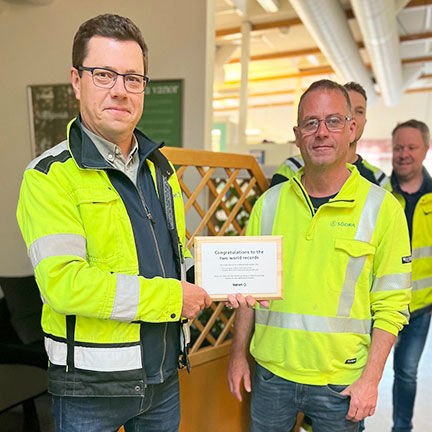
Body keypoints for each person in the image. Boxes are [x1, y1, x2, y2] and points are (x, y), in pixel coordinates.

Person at [16, 14, 213, 432]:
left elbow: (172, 260)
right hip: (91, 390)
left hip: (163, 379)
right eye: (104, 74)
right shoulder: (49, 176)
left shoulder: (160, 170)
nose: (120, 91)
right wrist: (172, 299)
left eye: (133, 78)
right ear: (76, 80)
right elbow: (65, 284)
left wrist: (226, 281)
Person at [227, 79, 412, 432]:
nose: (322, 132)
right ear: (297, 135)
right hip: (271, 376)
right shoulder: (269, 204)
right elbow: (247, 293)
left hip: (340, 382)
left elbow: (392, 306)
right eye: (311, 123)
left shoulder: (382, 209)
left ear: (351, 129)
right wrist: (238, 356)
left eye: (333, 121)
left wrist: (370, 380)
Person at [270, 82, 390, 191]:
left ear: (362, 122)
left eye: (359, 111)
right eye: (346, 109)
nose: (352, 116)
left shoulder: (379, 179)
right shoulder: (291, 167)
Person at [390, 119, 432, 432]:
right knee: (362, 372)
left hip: (419, 308)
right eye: (398, 147)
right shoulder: (379, 193)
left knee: (406, 373)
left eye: (411, 147)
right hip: (376, 305)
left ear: (426, 149)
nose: (404, 153)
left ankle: (401, 429)